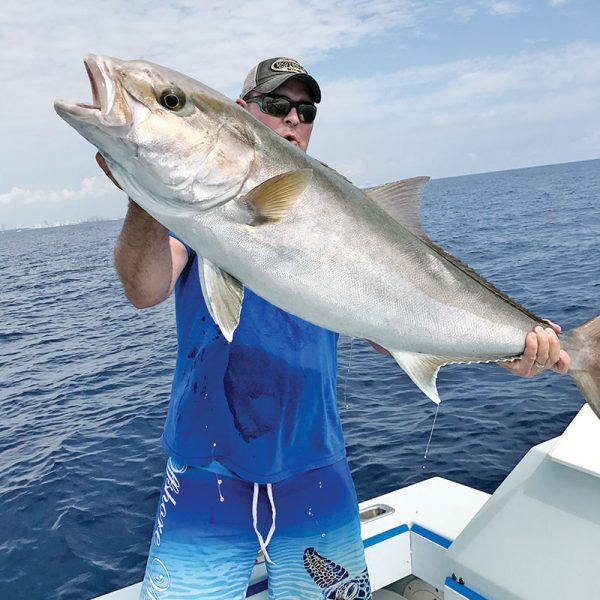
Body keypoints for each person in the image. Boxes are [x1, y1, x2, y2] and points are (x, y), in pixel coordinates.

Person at [98, 57, 570, 600]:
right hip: (206, 468)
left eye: (306, 110)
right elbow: (143, 289)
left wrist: (511, 345)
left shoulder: (344, 212)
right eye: (276, 105)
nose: (293, 119)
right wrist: (142, 187)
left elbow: (395, 323)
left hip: (313, 466)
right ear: (241, 110)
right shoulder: (190, 214)